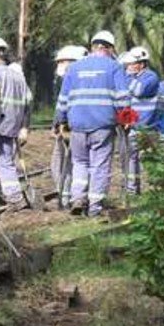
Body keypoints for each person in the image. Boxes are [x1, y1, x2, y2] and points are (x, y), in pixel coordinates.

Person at [54, 31, 129, 218]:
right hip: (102, 124)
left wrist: (60, 120)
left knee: (79, 162)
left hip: (77, 123)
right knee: (99, 165)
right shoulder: (114, 67)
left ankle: (77, 198)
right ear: (110, 48)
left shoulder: (74, 68)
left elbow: (63, 98)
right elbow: (122, 98)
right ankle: (95, 206)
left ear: (93, 46)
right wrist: (126, 119)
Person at [0, 36, 34, 210]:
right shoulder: (17, 76)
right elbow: (28, 102)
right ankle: (15, 197)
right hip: (12, 126)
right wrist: (24, 127)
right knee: (5, 161)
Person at [120, 47, 161, 194]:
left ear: (142, 64)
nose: (129, 66)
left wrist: (128, 77)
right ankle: (132, 190)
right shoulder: (134, 77)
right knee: (132, 158)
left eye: (132, 63)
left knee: (151, 159)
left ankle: (158, 189)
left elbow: (137, 91)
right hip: (135, 126)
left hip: (149, 126)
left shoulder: (151, 77)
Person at [50, 45, 85, 208]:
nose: (60, 66)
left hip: (72, 126)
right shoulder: (76, 79)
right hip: (75, 125)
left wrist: (60, 123)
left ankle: (67, 197)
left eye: (63, 62)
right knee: (70, 163)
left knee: (68, 163)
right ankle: (67, 196)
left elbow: (63, 104)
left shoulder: (73, 79)